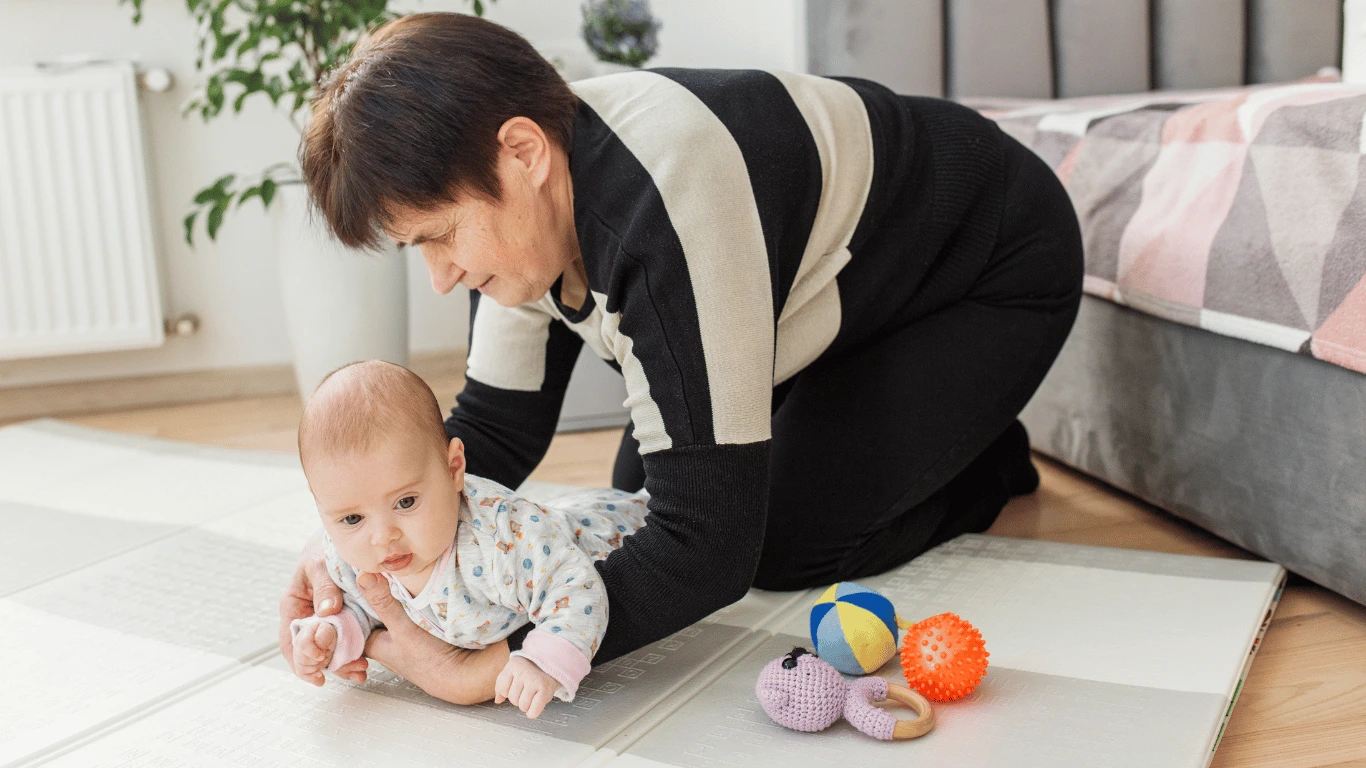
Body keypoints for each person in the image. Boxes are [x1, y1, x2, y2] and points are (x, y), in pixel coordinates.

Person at [279, 12, 1084, 706]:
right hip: (826, 303)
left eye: (441, 236)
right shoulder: (520, 212)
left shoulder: (670, 197)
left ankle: (979, 459)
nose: (441, 275)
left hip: (981, 267)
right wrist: (353, 551)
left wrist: (489, 666)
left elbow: (710, 546)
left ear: (522, 154)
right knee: (634, 506)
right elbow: (494, 428)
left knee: (775, 542)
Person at [288, 360, 649, 718]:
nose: (383, 537)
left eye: (406, 502)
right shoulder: (347, 554)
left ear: (454, 469)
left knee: (651, 500)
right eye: (352, 518)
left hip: (615, 531)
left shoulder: (501, 541)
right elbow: (361, 606)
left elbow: (578, 588)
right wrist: (332, 634)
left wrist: (543, 659)